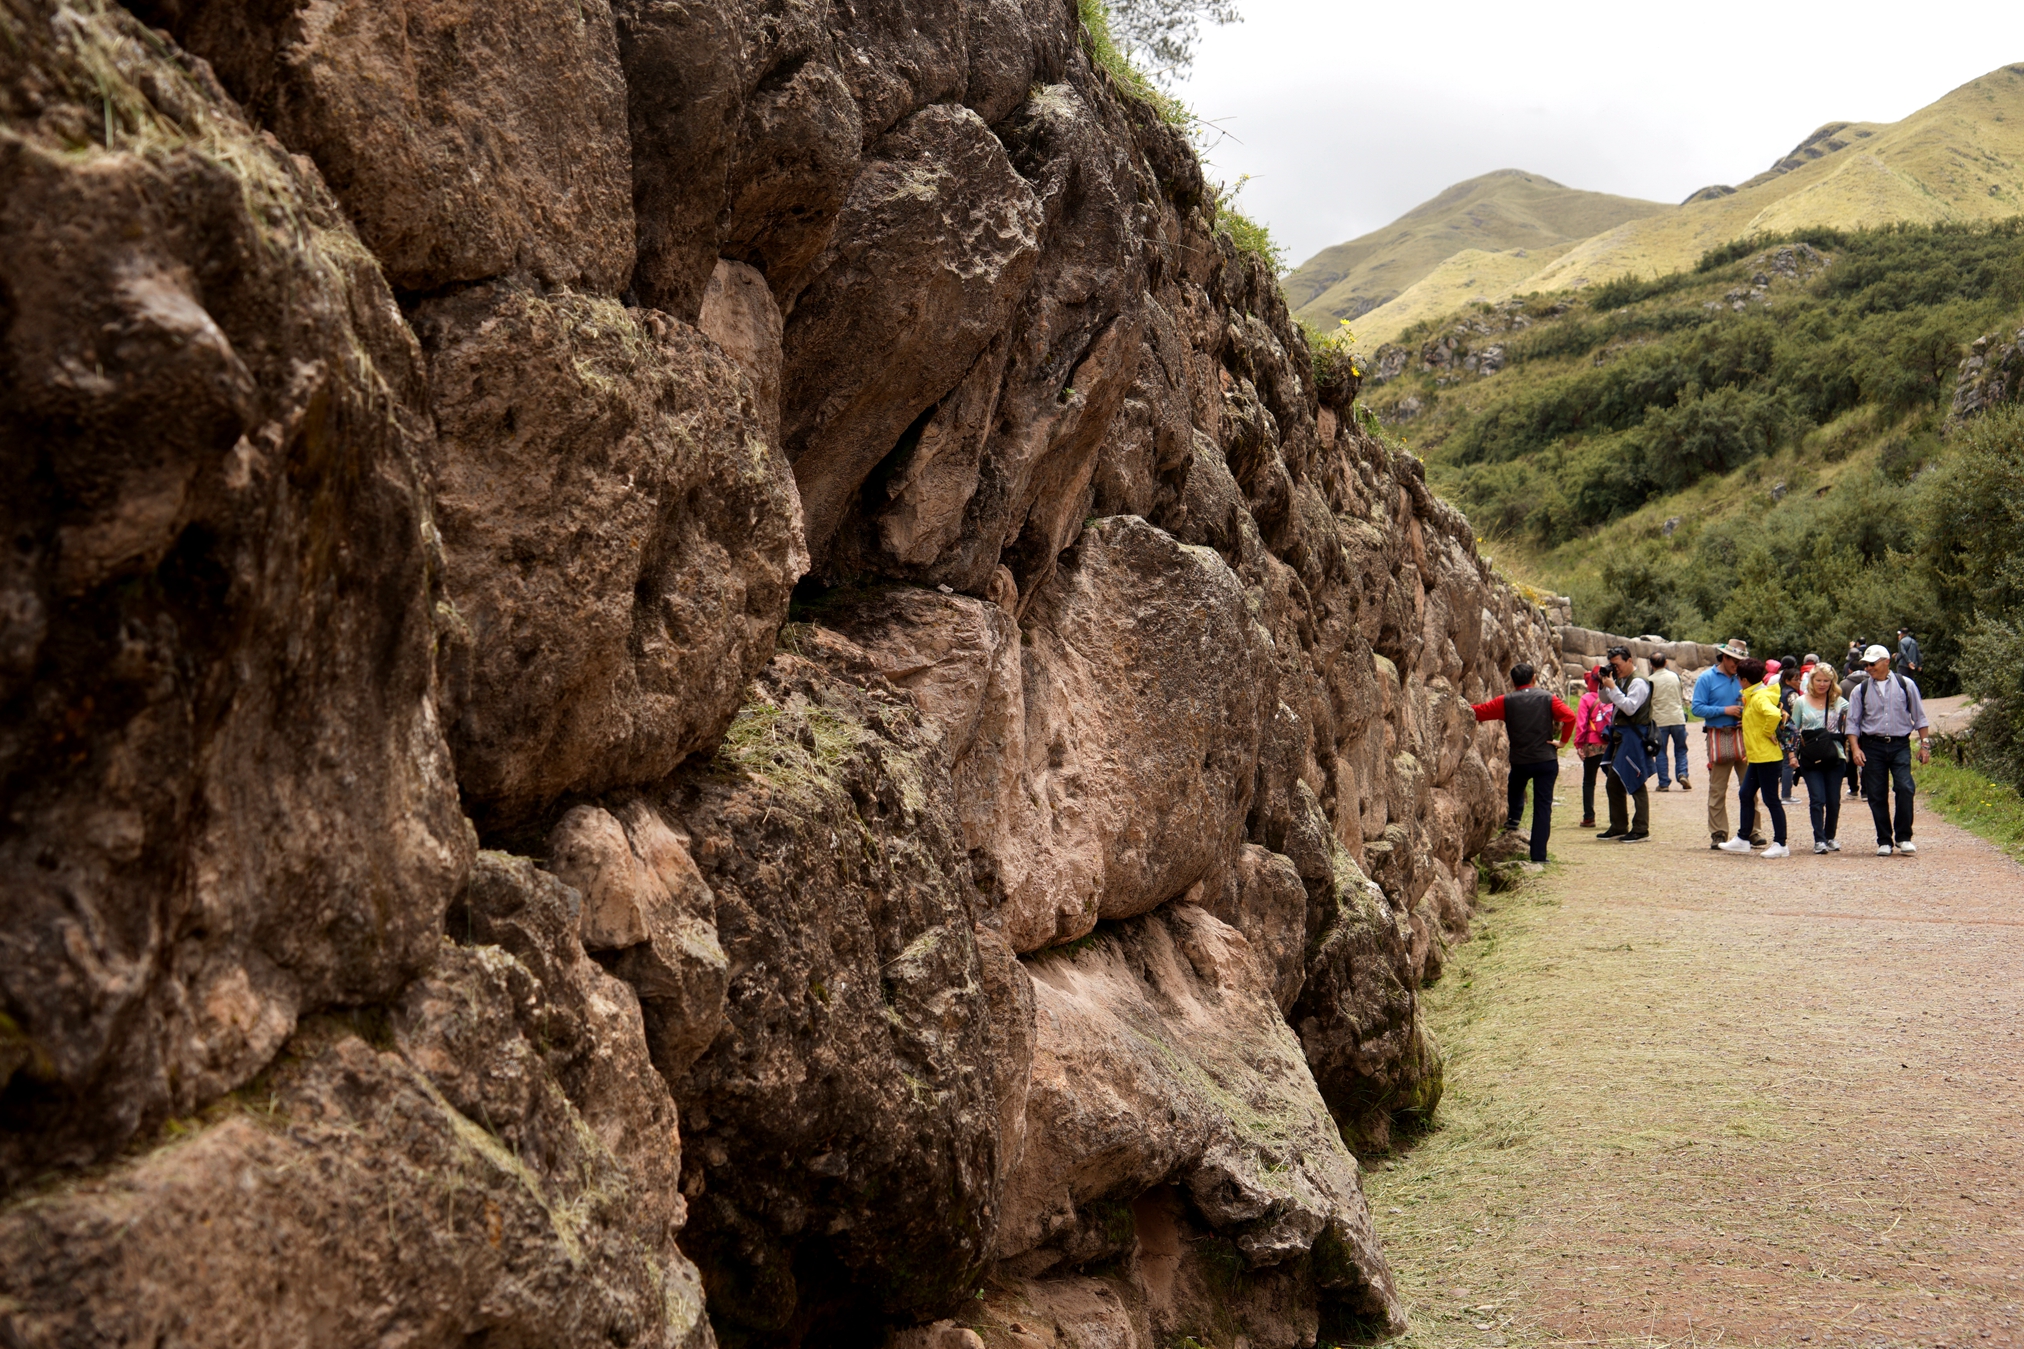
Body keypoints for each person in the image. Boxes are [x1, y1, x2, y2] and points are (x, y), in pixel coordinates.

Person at [1472, 662, 1575, 865]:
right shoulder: (1548, 698)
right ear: (1534, 678)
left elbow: (1479, 712)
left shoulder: (1506, 701)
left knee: (1515, 784)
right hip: (1546, 759)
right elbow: (1570, 716)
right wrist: (1562, 741)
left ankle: (1514, 820)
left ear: (1512, 681)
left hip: (1521, 760)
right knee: (1543, 807)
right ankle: (1539, 855)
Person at [1849, 643, 1931, 857]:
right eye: (1866, 665)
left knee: (1905, 787)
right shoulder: (1861, 690)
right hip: (1872, 745)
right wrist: (1855, 748)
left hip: (1899, 744)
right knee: (1876, 793)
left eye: (1872, 664)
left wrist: (1924, 745)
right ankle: (1884, 839)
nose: (1868, 668)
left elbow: (1919, 717)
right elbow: (1853, 723)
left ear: (1886, 662)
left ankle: (1904, 837)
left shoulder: (1906, 684)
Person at [1692, 639, 1763, 851]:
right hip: (1719, 737)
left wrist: (1747, 717)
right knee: (1717, 789)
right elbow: (1696, 708)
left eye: (1742, 660)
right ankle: (1718, 832)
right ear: (1725, 657)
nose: (1738, 664)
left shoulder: (1746, 678)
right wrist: (1725, 711)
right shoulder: (1706, 678)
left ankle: (1753, 832)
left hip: (1744, 737)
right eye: (1735, 660)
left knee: (1750, 787)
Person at [1719, 658, 1791, 857]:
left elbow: (1774, 715)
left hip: (1767, 757)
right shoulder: (1753, 695)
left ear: (1743, 680)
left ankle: (1781, 844)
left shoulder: (1758, 697)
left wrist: (1768, 732)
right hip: (1757, 758)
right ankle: (1743, 839)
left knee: (1771, 799)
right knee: (1745, 794)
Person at [1596, 645, 1655, 842]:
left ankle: (1641, 829)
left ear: (1629, 660)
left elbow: (1629, 708)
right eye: (1611, 665)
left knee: (1635, 780)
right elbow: (1604, 699)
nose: (1615, 668)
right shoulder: (1620, 680)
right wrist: (1604, 683)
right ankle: (1619, 825)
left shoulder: (1638, 682)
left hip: (1634, 737)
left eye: (1617, 664)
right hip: (1620, 737)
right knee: (1614, 782)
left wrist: (1613, 688)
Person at [1792, 661, 1850, 853]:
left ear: (1832, 682)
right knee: (1817, 798)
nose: (1822, 684)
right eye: (1819, 680)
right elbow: (1792, 730)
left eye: (1826, 680)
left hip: (1835, 754)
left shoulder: (1840, 703)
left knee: (1833, 800)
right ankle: (1819, 839)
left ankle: (1830, 835)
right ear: (1812, 680)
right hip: (1810, 756)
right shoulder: (1800, 702)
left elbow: (1851, 726)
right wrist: (1792, 755)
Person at [1574, 667, 1614, 828]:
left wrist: (1578, 744)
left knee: (1589, 782)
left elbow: (1581, 724)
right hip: (1610, 744)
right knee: (1613, 781)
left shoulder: (1586, 698)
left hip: (1592, 744)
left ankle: (1589, 817)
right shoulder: (1613, 695)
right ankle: (1617, 817)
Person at [1648, 653, 1691, 792]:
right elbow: (1680, 695)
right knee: (1681, 749)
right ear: (1666, 662)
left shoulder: (1649, 680)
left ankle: (1664, 782)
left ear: (1651, 665)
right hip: (1677, 718)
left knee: (1660, 751)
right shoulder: (1675, 677)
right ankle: (1682, 773)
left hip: (1659, 720)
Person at [1776, 655, 1803, 804]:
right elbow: (1796, 712)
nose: (1799, 682)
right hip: (1789, 729)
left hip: (1780, 728)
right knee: (1789, 762)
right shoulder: (1792, 694)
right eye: (1796, 680)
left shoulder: (1780, 691)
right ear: (1788, 680)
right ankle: (1786, 795)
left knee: (1783, 761)